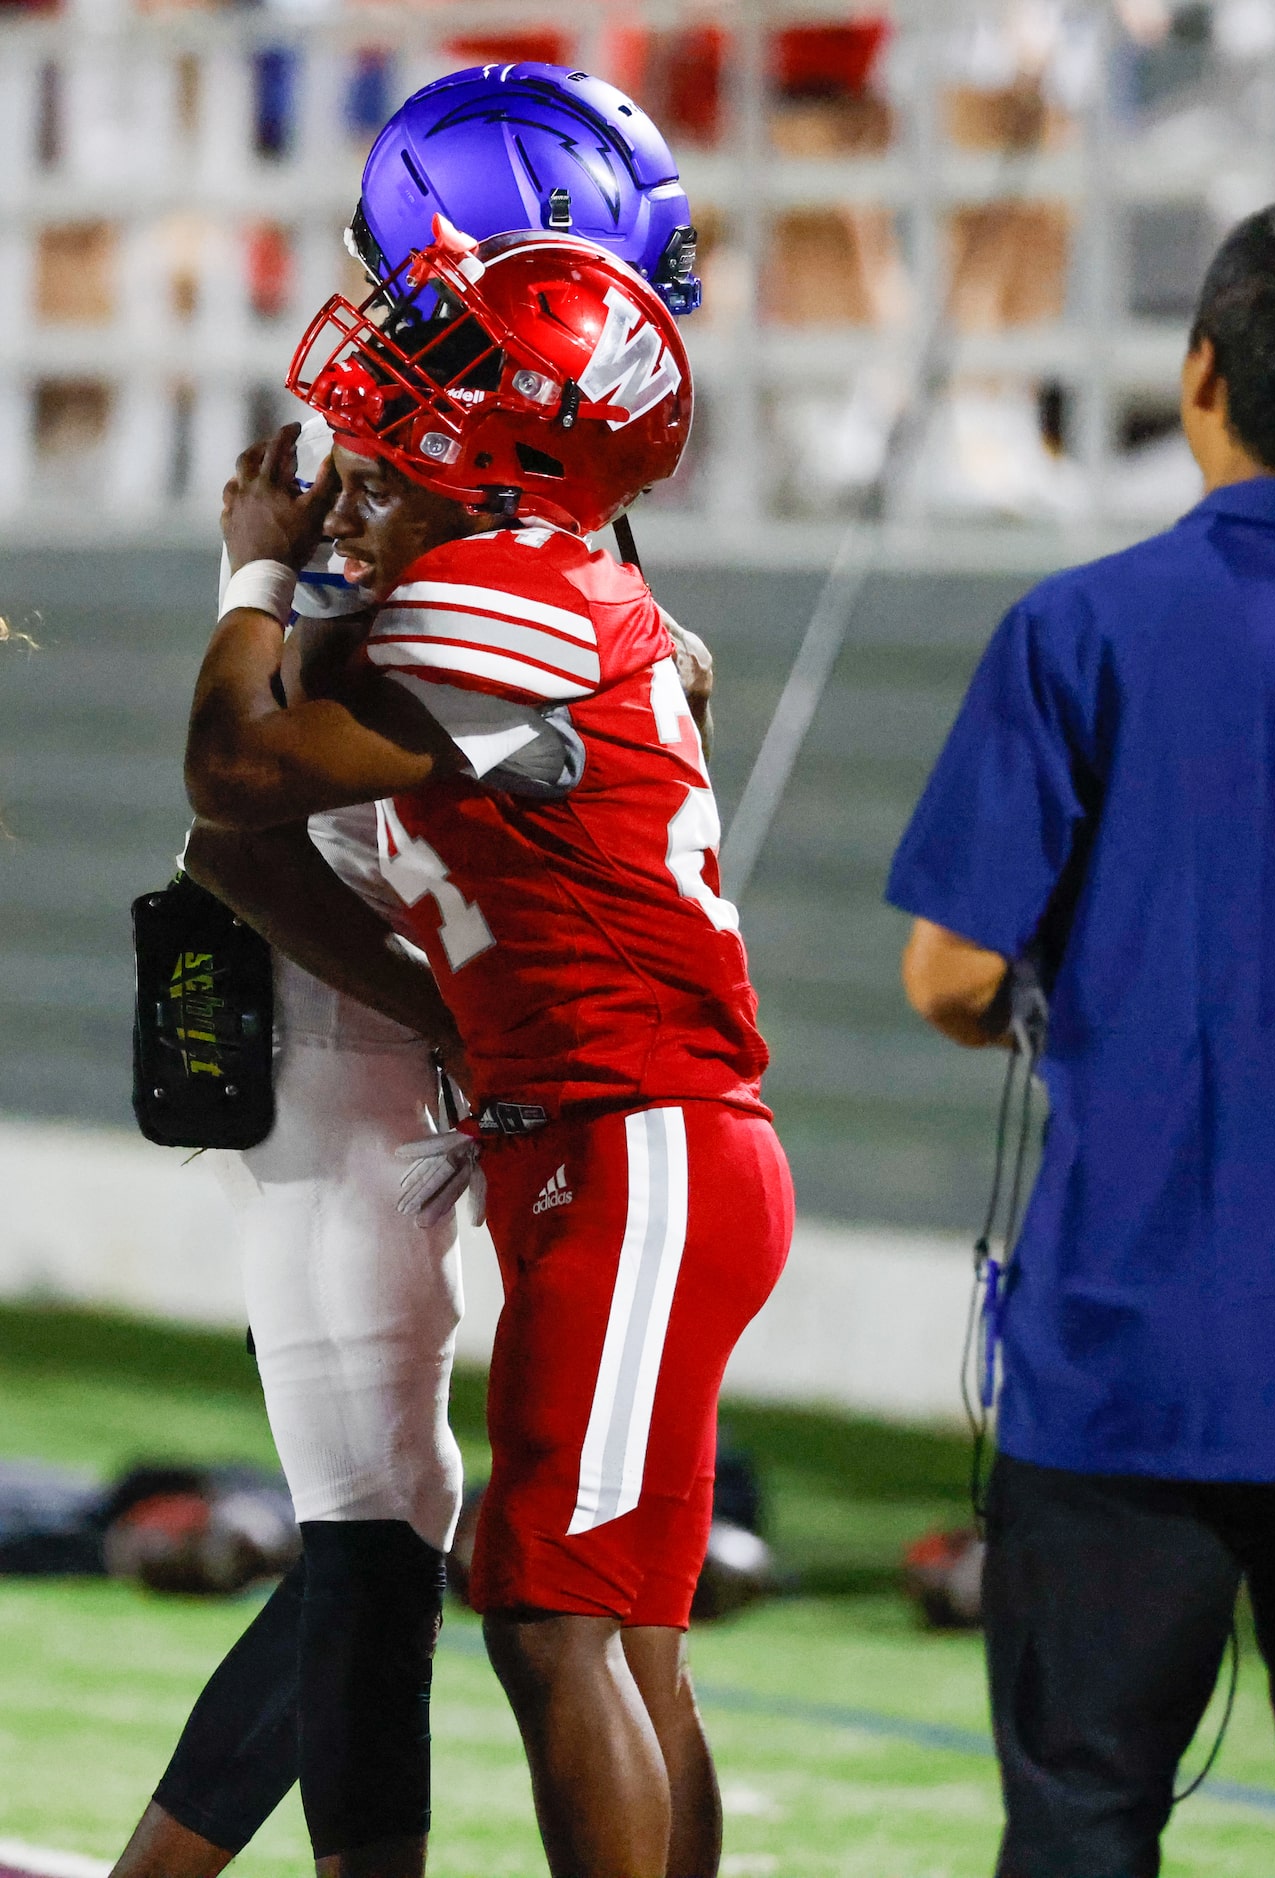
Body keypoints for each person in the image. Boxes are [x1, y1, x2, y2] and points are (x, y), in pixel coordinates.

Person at [110, 64, 710, 1878]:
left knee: (523, 1544)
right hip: (386, 980)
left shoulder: (510, 410)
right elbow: (247, 805)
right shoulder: (493, 410)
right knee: (399, 1512)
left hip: (492, 1006)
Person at [887, 194, 1275, 1878]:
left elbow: (947, 976)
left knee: (1083, 1819)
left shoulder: (1080, 629)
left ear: (1201, 371)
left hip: (1131, 1347)